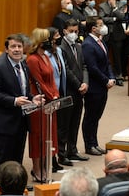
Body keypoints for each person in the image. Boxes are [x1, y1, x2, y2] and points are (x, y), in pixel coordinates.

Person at [0, 34, 44, 185]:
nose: (17, 49)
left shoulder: (23, 64)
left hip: (21, 121)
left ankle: (16, 187)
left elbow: (23, 91)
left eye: (19, 46)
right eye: (13, 46)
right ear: (6, 49)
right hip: (4, 123)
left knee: (17, 158)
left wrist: (32, 99)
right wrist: (14, 101)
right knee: (3, 161)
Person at [27, 28, 60, 182]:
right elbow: (39, 82)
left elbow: (52, 79)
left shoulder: (46, 56)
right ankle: (36, 169)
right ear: (40, 41)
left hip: (50, 104)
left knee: (49, 136)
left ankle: (46, 167)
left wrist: (56, 95)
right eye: (46, 39)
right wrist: (50, 96)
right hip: (39, 104)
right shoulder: (32, 59)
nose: (50, 41)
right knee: (38, 137)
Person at [82, 16, 116, 156]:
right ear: (93, 28)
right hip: (94, 87)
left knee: (97, 116)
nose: (103, 27)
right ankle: (89, 145)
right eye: (100, 25)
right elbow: (92, 67)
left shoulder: (101, 42)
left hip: (103, 86)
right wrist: (105, 80)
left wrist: (112, 77)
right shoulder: (88, 44)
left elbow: (107, 63)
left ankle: (94, 143)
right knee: (90, 117)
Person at [58, 19, 89, 165]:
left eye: (76, 31)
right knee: (64, 124)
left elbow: (83, 66)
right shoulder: (60, 47)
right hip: (68, 90)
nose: (74, 34)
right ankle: (62, 153)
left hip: (80, 90)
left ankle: (73, 150)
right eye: (71, 31)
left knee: (75, 122)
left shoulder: (78, 46)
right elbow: (66, 70)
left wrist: (85, 83)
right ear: (64, 31)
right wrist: (78, 84)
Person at [45, 27, 67, 173]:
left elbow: (62, 72)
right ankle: (51, 160)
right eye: (57, 35)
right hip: (50, 96)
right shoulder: (45, 55)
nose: (59, 37)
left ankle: (57, 156)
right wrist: (53, 94)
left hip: (61, 93)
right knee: (50, 130)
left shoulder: (58, 51)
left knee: (59, 127)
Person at [99, 0, 127, 86]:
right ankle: (105, 75)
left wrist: (114, 7)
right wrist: (114, 19)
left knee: (117, 56)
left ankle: (119, 76)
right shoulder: (102, 5)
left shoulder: (120, 4)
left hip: (117, 34)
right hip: (106, 35)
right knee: (104, 56)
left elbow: (122, 16)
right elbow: (102, 18)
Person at [116, 0, 129, 82]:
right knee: (120, 53)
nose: (124, 0)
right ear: (118, 0)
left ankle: (126, 72)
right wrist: (123, 31)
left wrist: (128, 30)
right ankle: (121, 73)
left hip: (128, 32)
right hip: (119, 33)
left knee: (127, 53)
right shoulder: (116, 8)